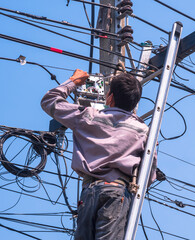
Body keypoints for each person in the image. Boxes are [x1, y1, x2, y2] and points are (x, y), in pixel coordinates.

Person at [41, 69, 157, 239]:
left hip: (89, 193)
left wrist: (74, 81)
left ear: (110, 97)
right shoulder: (144, 131)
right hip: (117, 192)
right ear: (135, 103)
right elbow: (149, 175)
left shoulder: (87, 117)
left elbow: (49, 101)